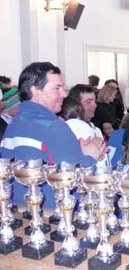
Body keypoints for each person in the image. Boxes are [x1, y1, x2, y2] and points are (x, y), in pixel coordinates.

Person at [0, 62, 105, 209]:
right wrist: (91, 157)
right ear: (36, 91)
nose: (65, 93)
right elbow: (75, 180)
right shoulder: (53, 127)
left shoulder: (14, 125)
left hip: (18, 210)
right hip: (53, 215)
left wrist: (78, 153)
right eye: (57, 88)